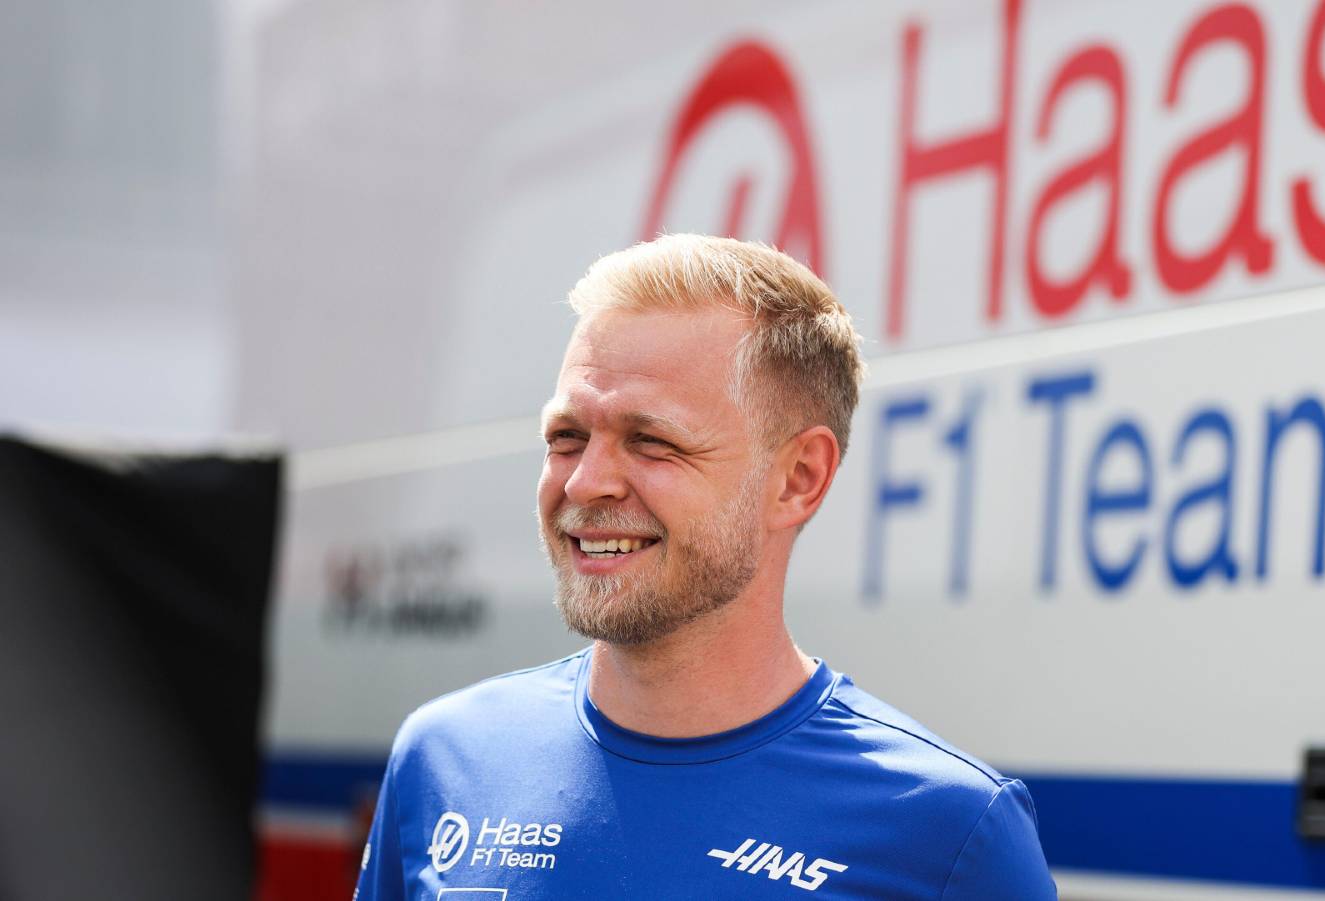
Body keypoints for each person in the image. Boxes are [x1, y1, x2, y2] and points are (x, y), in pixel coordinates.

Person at [354, 235, 1058, 899]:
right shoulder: (443, 757)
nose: (583, 483)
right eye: (567, 436)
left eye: (651, 441)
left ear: (798, 478)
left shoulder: (950, 833)